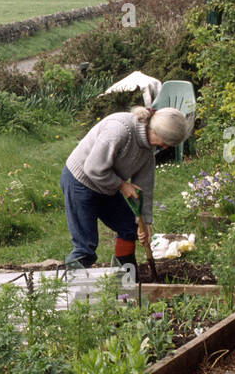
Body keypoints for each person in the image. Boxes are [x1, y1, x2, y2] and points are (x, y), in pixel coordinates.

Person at [59, 106, 193, 272]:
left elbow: (145, 188)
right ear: (155, 130)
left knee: (129, 228)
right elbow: (93, 168)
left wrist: (145, 223)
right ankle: (62, 291)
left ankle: (127, 278)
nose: (165, 147)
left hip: (107, 185)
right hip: (80, 181)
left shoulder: (147, 152)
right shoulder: (119, 130)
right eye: (165, 142)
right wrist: (122, 185)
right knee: (85, 247)